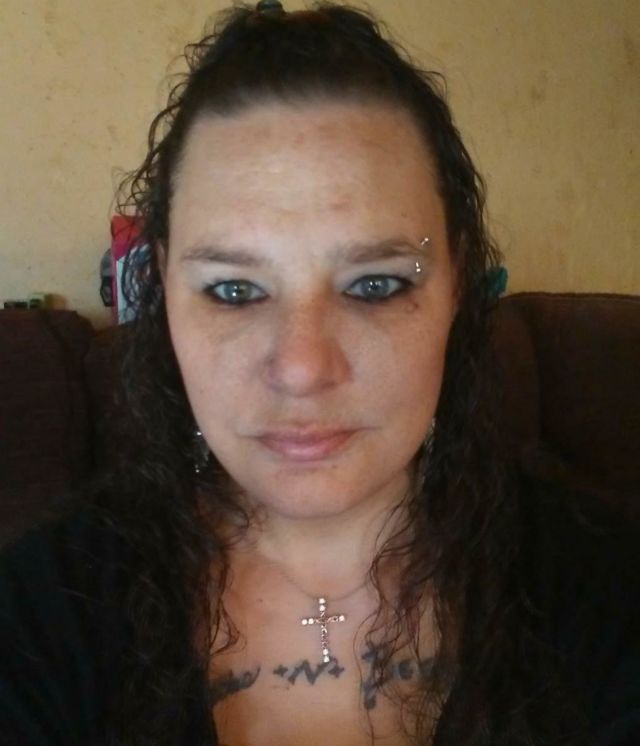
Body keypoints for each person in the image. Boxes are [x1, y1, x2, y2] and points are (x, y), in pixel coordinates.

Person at [0, 2, 638, 744]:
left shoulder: (610, 592)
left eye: (375, 285)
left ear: (458, 287)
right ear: (164, 289)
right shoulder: (36, 614)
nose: (302, 369)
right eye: (233, 290)